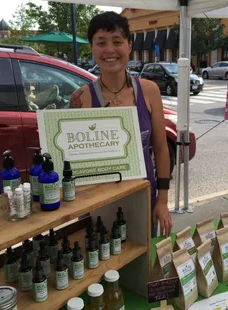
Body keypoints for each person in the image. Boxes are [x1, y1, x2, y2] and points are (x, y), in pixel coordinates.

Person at [69, 12, 172, 237]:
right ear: (92, 47)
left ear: (129, 46)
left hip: (143, 196)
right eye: (101, 42)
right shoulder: (80, 98)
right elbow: (73, 161)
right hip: (96, 201)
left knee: (141, 265)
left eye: (117, 42)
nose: (110, 50)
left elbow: (162, 149)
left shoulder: (149, 91)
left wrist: (162, 201)